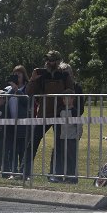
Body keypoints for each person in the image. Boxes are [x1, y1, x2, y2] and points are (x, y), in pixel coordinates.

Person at [22, 50, 75, 180]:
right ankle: (24, 172)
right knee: (32, 143)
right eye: (47, 60)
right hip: (43, 114)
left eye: (51, 60)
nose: (48, 62)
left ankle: (56, 175)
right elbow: (29, 92)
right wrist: (33, 80)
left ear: (57, 61)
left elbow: (71, 91)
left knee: (58, 145)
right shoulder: (41, 75)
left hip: (59, 114)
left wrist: (63, 97)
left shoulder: (64, 75)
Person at [52, 89, 81, 183]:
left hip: (72, 139)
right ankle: (65, 176)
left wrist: (77, 136)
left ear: (73, 99)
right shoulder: (60, 111)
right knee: (64, 158)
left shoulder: (75, 111)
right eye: (64, 98)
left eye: (67, 98)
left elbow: (79, 126)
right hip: (62, 138)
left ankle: (73, 178)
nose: (65, 100)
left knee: (71, 159)